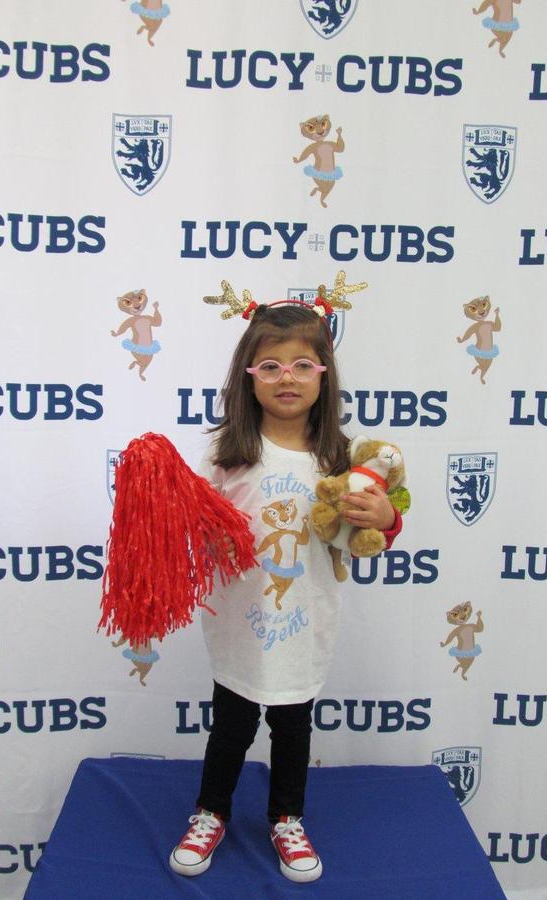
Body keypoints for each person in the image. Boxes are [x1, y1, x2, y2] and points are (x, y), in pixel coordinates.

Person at [169, 302, 402, 883]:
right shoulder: (225, 453)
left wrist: (385, 518)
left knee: (294, 726)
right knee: (231, 724)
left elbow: (372, 532)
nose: (287, 378)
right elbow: (191, 523)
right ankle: (211, 811)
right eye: (269, 367)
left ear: (324, 374)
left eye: (302, 365)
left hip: (306, 618)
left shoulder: (343, 458)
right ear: (247, 376)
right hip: (238, 620)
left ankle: (286, 818)